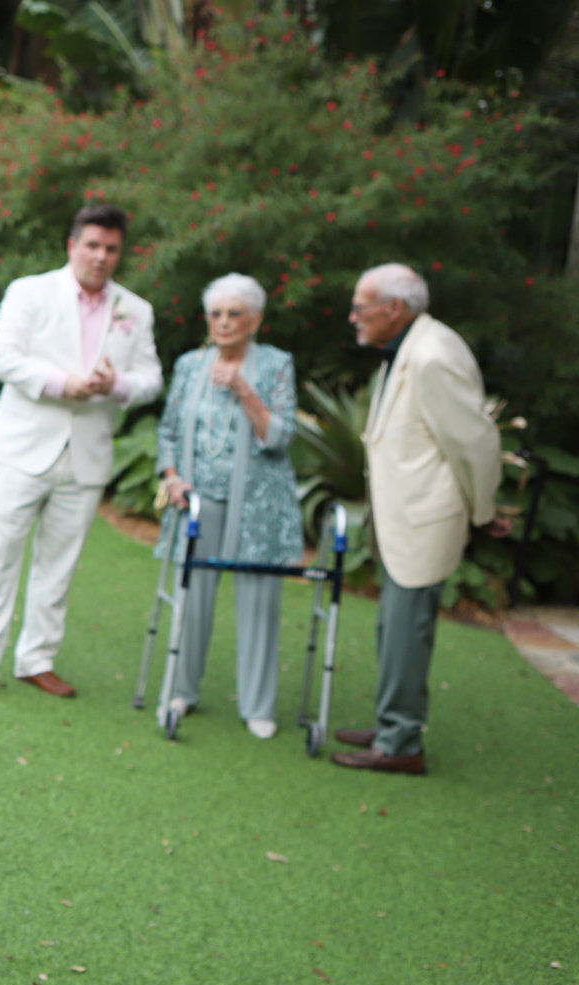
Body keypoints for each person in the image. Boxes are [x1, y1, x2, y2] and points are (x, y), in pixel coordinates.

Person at [0, 203, 162, 700]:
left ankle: (37, 659)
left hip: (87, 454)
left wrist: (117, 385)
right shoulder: (30, 291)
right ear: (72, 246)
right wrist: (62, 382)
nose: (101, 256)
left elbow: (152, 380)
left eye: (111, 248)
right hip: (23, 448)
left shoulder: (137, 310)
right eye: (92, 245)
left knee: (59, 564)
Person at [333, 264, 506, 774]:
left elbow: (474, 442)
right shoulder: (411, 345)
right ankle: (394, 724)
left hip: (425, 517)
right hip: (405, 517)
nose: (353, 316)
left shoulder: (432, 354)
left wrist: (484, 510)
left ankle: (401, 743)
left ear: (394, 308)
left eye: (361, 307)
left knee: (407, 630)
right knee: (395, 627)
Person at [154, 274, 304, 739]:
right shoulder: (189, 365)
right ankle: (181, 690)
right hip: (198, 502)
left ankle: (259, 705)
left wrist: (243, 387)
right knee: (191, 598)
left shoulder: (276, 365)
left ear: (255, 319)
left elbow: (279, 438)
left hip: (257, 505)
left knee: (259, 603)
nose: (223, 322)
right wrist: (173, 476)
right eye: (216, 313)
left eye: (234, 313)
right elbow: (168, 433)